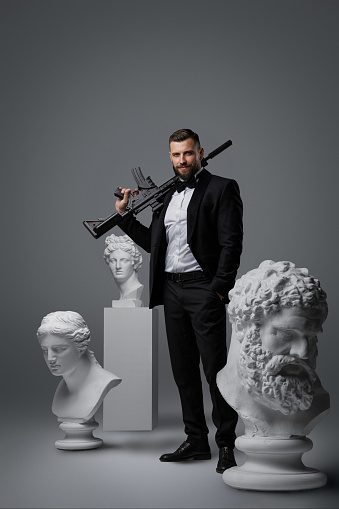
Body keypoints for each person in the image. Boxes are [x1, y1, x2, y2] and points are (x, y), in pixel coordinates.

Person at [115, 129, 243, 473]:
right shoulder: (168, 196)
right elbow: (154, 245)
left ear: (199, 152)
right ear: (169, 156)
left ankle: (227, 444)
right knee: (183, 371)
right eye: (175, 155)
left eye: (187, 154)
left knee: (216, 370)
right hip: (171, 290)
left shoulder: (221, 188)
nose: (182, 161)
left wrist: (219, 287)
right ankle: (196, 441)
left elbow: (232, 243)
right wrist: (126, 217)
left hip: (204, 289)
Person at [217, 260, 330, 437]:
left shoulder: (317, 397)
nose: (303, 352)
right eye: (287, 334)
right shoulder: (227, 388)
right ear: (244, 327)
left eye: (310, 337)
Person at [37, 311, 121, 422]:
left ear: (81, 347)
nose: (50, 358)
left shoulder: (104, 382)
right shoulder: (64, 387)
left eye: (59, 349)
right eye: (45, 350)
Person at [104, 234, 144, 301]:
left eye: (124, 261)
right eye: (113, 261)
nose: (118, 266)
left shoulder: (135, 290)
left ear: (135, 262)